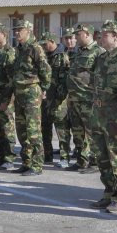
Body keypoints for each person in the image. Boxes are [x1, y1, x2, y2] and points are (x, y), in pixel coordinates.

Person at [89, 21, 117, 212]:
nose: (101, 38)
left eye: (105, 35)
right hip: (99, 114)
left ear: (116, 37)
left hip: (116, 114)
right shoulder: (101, 57)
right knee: (101, 156)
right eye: (100, 35)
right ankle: (108, 193)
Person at [5, 21, 51, 176]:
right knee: (22, 130)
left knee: (33, 130)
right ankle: (27, 162)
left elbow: (46, 71)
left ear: (29, 32)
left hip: (31, 92)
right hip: (19, 93)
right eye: (16, 30)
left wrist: (43, 88)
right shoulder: (19, 49)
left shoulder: (35, 48)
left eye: (20, 30)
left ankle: (37, 164)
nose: (17, 33)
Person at [65, 23, 104, 173]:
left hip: (88, 99)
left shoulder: (98, 52)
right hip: (75, 98)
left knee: (92, 132)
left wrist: (97, 98)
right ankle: (81, 160)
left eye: (78, 35)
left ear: (87, 34)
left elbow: (100, 77)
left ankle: (95, 162)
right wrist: (70, 96)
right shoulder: (78, 52)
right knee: (78, 132)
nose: (75, 37)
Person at [39, 32, 70, 168]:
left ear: (52, 42)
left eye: (45, 44)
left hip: (58, 100)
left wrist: (59, 97)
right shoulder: (44, 56)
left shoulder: (62, 56)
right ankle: (47, 155)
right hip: (45, 98)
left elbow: (65, 79)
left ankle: (64, 157)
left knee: (62, 129)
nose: (43, 46)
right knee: (44, 128)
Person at [0, 24, 16, 170]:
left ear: (4, 35)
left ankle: (9, 157)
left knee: (7, 127)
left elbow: (11, 79)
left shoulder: (9, 53)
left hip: (4, 94)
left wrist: (7, 100)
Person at [62, 27, 80, 160]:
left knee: (77, 125)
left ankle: (79, 150)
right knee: (66, 123)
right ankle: (67, 148)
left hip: (77, 94)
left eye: (71, 38)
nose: (69, 41)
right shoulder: (63, 52)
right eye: (67, 38)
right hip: (64, 93)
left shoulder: (79, 53)